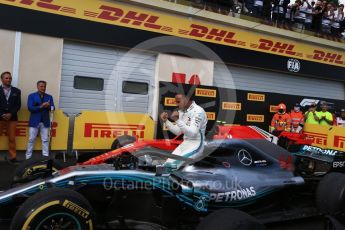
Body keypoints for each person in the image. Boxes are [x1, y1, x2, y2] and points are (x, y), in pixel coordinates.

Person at [160, 89, 207, 169]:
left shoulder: (198, 112)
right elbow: (178, 131)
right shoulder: (182, 111)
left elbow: (192, 133)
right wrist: (166, 121)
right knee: (167, 166)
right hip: (185, 143)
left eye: (178, 102)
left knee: (173, 166)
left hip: (196, 145)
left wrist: (177, 120)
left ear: (187, 99)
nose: (176, 104)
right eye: (176, 102)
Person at [26, 81, 55, 159]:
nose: (43, 88)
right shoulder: (31, 96)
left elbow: (53, 108)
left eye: (44, 86)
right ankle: (28, 157)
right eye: (41, 86)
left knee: (45, 140)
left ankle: (45, 157)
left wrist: (48, 106)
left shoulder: (49, 97)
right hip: (34, 120)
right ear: (37, 87)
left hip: (45, 121)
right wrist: (41, 106)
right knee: (31, 139)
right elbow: (30, 108)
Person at [0, 71, 21, 163]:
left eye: (10, 78)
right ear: (2, 79)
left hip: (12, 118)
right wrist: (2, 114)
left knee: (12, 138)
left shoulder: (17, 91)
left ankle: (13, 157)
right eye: (6, 78)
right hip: (0, 117)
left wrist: (11, 114)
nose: (9, 79)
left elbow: (18, 105)